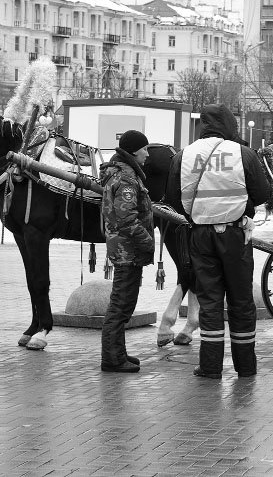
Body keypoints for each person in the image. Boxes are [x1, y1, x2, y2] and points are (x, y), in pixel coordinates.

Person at [172, 104, 270, 379]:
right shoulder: (243, 153)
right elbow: (262, 193)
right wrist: (242, 205)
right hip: (235, 235)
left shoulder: (185, 154)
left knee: (210, 300)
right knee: (241, 299)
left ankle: (211, 366)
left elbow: (172, 198)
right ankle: (246, 366)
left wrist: (200, 212)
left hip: (200, 236)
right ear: (229, 125)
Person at [99, 130, 155, 373]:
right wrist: (148, 242)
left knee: (125, 304)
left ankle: (118, 353)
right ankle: (112, 359)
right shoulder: (127, 179)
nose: (147, 153)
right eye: (145, 148)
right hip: (127, 250)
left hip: (126, 249)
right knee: (120, 305)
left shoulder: (124, 175)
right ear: (134, 151)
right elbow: (127, 219)